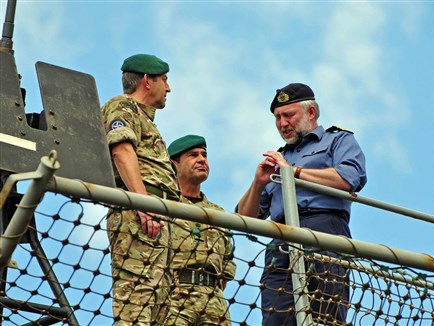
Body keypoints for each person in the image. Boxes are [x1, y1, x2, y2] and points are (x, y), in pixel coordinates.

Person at [237, 83, 367, 325]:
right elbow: (245, 220)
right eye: (277, 117)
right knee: (276, 320)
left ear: (311, 113)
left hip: (324, 233)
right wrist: (257, 184)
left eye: (289, 115)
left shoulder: (338, 140)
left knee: (324, 318)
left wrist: (293, 172)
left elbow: (349, 178)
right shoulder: (278, 157)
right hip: (280, 239)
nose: (282, 123)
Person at [101, 54, 181, 325]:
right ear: (147, 80)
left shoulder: (147, 120)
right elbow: (122, 151)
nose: (168, 88)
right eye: (164, 80)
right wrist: (143, 204)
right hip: (141, 214)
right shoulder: (123, 107)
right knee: (137, 298)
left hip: (158, 216)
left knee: (160, 303)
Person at [160, 134, 237, 326]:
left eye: (204, 155)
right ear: (173, 164)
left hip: (214, 303)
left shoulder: (217, 214)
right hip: (173, 297)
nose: (202, 159)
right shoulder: (162, 205)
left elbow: (226, 265)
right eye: (193, 155)